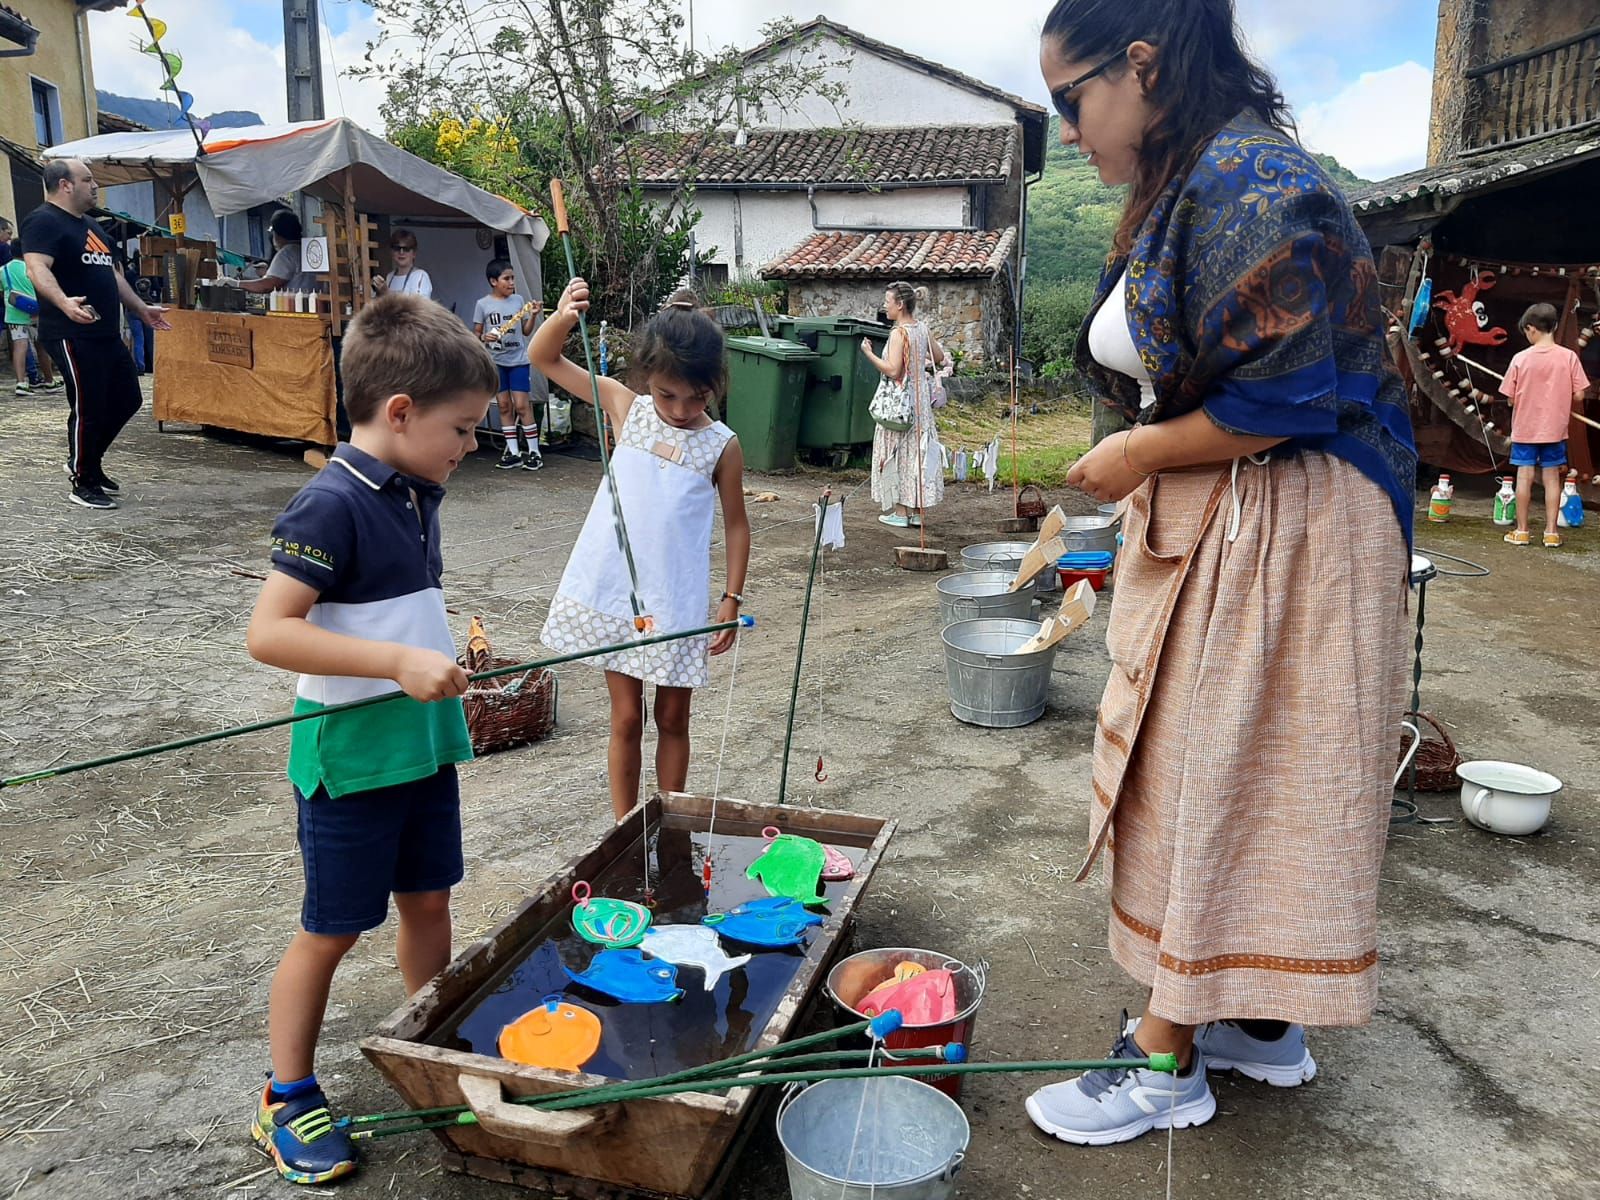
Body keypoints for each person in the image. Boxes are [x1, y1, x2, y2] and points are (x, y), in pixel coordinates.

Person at [1025, 0, 1418, 1147]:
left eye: (1071, 99)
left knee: (1206, 768)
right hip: (1254, 511)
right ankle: (1249, 1018)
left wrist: (1141, 450)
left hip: (1289, 516)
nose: (1066, 132)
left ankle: (1164, 1065)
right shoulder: (1202, 172)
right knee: (1250, 769)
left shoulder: (1250, 181)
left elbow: (1282, 398)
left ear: (1140, 65)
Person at [243, 292, 497, 1185]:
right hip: (351, 761)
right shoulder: (329, 505)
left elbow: (399, 611)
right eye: (462, 429)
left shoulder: (414, 490)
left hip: (421, 748)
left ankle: (427, 1041)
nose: (470, 446)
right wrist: (396, 660)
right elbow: (269, 633)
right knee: (331, 928)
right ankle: (287, 1094)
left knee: (430, 904)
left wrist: (434, 652)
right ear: (399, 413)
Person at [532, 276, 750, 821]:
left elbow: (738, 526)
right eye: (667, 394)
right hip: (617, 592)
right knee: (626, 719)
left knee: (673, 717)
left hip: (674, 601)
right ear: (647, 380)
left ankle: (670, 819)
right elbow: (544, 358)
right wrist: (563, 316)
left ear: (714, 385)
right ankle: (624, 827)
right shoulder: (624, 406)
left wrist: (730, 598)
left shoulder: (722, 445)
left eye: (695, 396)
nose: (679, 409)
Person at [21, 158, 170, 510]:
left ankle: (85, 460)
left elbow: (113, 276)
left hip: (103, 331)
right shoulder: (43, 221)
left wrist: (140, 308)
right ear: (65, 185)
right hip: (70, 331)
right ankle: (83, 481)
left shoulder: (91, 226)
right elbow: (36, 268)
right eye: (87, 179)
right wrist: (63, 302)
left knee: (128, 398)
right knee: (88, 405)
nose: (95, 185)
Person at [1499, 302, 1588, 548]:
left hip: (1526, 429)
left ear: (1531, 329)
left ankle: (1522, 531)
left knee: (1524, 477)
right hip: (1555, 429)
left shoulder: (1520, 358)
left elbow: (1509, 397)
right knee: (1552, 480)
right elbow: (1580, 394)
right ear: (1555, 326)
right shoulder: (1568, 357)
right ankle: (1551, 532)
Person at [861, 281, 946, 527]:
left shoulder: (899, 333)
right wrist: (919, 358)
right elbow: (939, 357)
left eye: (888, 302)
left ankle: (901, 513)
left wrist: (869, 353)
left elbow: (894, 370)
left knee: (899, 453)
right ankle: (917, 512)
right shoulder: (921, 329)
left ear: (899, 304)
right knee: (918, 452)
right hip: (921, 402)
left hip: (901, 402)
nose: (885, 306)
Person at [473, 258, 542, 470]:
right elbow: (476, 334)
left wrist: (533, 317)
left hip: (519, 360)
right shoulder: (483, 304)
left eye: (513, 278)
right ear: (494, 281)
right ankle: (512, 452)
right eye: (507, 279)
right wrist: (485, 338)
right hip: (496, 362)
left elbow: (526, 331)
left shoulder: (518, 301)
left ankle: (534, 451)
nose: (512, 283)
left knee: (522, 405)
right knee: (504, 405)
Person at [2, 240, 61, 396]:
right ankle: (49, 381)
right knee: (41, 347)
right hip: (36, 312)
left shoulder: (3, 269)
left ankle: (21, 383)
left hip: (14, 314)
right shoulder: (34, 268)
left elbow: (2, 291)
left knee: (19, 347)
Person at [240, 209, 318, 296]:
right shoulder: (308, 250)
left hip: (295, 306)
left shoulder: (288, 252)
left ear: (277, 234)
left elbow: (268, 285)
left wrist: (238, 284)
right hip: (318, 303)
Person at [372, 227, 433, 299]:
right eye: (397, 248)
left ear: (414, 253)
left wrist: (387, 293)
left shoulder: (420, 276)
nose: (401, 252)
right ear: (391, 252)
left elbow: (419, 306)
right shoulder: (390, 276)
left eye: (406, 249)